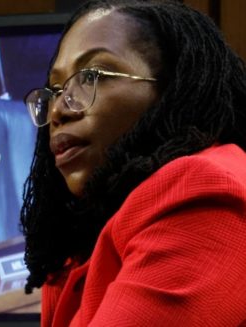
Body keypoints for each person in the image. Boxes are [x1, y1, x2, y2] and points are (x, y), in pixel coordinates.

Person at [20, 0, 246, 326]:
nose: (58, 110)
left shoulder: (203, 192)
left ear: (174, 90)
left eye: (91, 76)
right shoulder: (89, 229)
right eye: (56, 89)